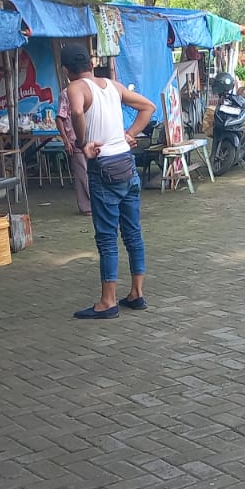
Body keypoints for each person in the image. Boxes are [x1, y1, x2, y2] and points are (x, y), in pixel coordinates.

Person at [62, 44, 157, 319]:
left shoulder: (75, 88)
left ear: (66, 70)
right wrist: (129, 134)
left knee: (106, 237)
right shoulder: (113, 86)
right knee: (133, 232)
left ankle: (108, 301)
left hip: (103, 167)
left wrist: (83, 143)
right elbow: (148, 106)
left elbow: (76, 112)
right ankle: (137, 293)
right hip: (126, 164)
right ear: (91, 64)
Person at [54, 94, 92, 216]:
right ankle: (86, 207)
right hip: (75, 140)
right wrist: (66, 140)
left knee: (94, 173)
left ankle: (98, 203)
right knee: (82, 174)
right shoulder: (67, 94)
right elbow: (59, 118)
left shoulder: (92, 90)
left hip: (94, 140)